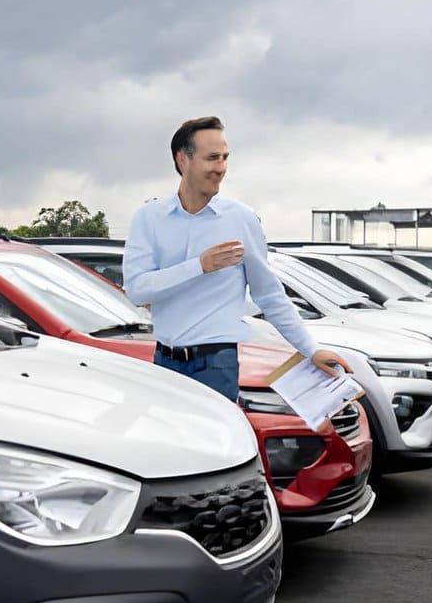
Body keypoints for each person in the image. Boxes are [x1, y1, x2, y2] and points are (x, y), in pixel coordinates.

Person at [123, 117, 348, 400]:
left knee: (216, 444)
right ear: (183, 159)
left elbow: (269, 295)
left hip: (217, 365)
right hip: (164, 363)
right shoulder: (149, 218)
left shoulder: (241, 219)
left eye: (225, 158)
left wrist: (310, 350)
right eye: (212, 158)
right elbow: (136, 289)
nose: (221, 168)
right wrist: (199, 266)